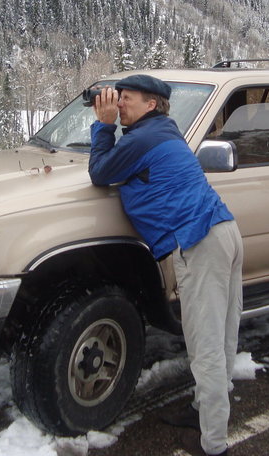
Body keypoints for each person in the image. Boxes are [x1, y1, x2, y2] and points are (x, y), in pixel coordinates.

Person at [88, 74, 244, 456]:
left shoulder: (141, 138)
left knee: (205, 347)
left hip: (198, 242)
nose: (119, 102)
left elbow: (99, 172)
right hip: (223, 230)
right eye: (117, 97)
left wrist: (103, 125)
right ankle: (202, 411)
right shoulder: (164, 132)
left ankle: (213, 444)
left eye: (126, 97)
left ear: (152, 104)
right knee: (222, 337)